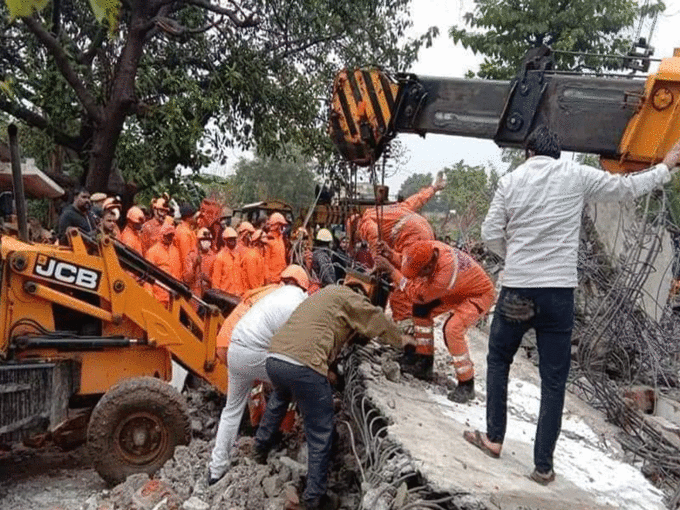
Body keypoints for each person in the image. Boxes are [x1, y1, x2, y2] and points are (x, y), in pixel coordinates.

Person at [468, 127, 680, 485]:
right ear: (557, 154)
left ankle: (493, 438)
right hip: (558, 294)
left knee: (499, 360)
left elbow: (490, 232)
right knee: (554, 380)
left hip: (518, 289)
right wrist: (666, 166)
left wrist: (514, 256)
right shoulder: (576, 175)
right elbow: (626, 188)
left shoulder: (510, 181)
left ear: (528, 153)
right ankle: (543, 466)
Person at [253, 284, 406, 510]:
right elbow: (372, 317)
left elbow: (324, 337)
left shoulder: (322, 298)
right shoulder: (348, 297)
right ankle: (314, 497)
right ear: (359, 295)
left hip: (276, 359)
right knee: (321, 431)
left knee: (280, 398)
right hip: (303, 366)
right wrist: (401, 339)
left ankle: (259, 448)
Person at [208, 265, 310, 485]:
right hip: (253, 353)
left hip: (234, 347)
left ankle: (216, 470)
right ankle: (271, 437)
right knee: (293, 381)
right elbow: (297, 346)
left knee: (232, 410)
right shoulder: (298, 300)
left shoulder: (269, 292)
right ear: (304, 286)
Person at [376, 240, 494, 400]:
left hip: (478, 294)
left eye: (420, 275)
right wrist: (391, 255)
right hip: (458, 288)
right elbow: (407, 260)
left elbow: (414, 293)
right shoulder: (428, 249)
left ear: (428, 267)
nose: (419, 277)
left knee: (452, 330)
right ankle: (424, 363)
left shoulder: (443, 276)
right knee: (421, 310)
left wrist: (391, 271)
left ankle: (467, 383)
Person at [145, 223, 182, 307]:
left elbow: (178, 274)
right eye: (167, 235)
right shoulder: (152, 252)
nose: (169, 237)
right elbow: (147, 276)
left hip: (173, 299)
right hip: (158, 299)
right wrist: (150, 298)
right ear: (161, 235)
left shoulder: (175, 251)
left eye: (171, 235)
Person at [184, 228, 216, 296]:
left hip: (209, 294)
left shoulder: (214, 257)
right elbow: (186, 279)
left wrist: (208, 279)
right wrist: (194, 265)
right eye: (203, 240)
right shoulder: (191, 256)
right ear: (198, 241)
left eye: (208, 240)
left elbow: (217, 281)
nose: (206, 242)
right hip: (194, 294)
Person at [212, 227, 243, 296]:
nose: (232, 241)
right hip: (226, 295)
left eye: (234, 239)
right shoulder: (220, 257)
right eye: (230, 239)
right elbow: (216, 281)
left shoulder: (239, 255)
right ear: (225, 240)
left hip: (239, 294)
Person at [175, 204, 198, 278]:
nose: (195, 218)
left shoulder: (187, 230)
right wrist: (187, 277)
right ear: (188, 217)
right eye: (193, 215)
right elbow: (185, 258)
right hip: (185, 275)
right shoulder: (184, 233)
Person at [265, 212, 288, 283]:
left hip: (281, 278)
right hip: (272, 280)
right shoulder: (269, 240)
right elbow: (265, 263)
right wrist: (268, 279)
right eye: (281, 225)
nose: (283, 227)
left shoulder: (281, 239)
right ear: (276, 225)